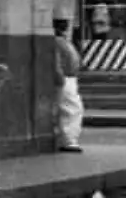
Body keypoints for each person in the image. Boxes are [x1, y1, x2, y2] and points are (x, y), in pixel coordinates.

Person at [53, 14, 84, 153]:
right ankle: (68, 140)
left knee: (71, 108)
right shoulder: (57, 41)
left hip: (69, 78)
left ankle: (67, 138)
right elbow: (57, 60)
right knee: (72, 108)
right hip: (65, 78)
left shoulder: (61, 41)